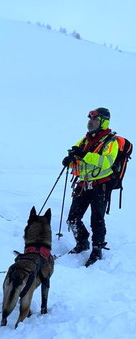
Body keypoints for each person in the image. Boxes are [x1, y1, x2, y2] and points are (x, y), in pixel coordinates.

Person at [62, 107, 119, 267]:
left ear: (103, 121)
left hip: (100, 185)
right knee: (73, 218)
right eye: (90, 119)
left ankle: (96, 249)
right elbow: (78, 158)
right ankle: (82, 242)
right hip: (83, 184)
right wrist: (70, 161)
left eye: (94, 119)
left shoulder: (110, 141)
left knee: (97, 219)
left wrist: (83, 155)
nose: (90, 122)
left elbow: (107, 161)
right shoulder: (85, 140)